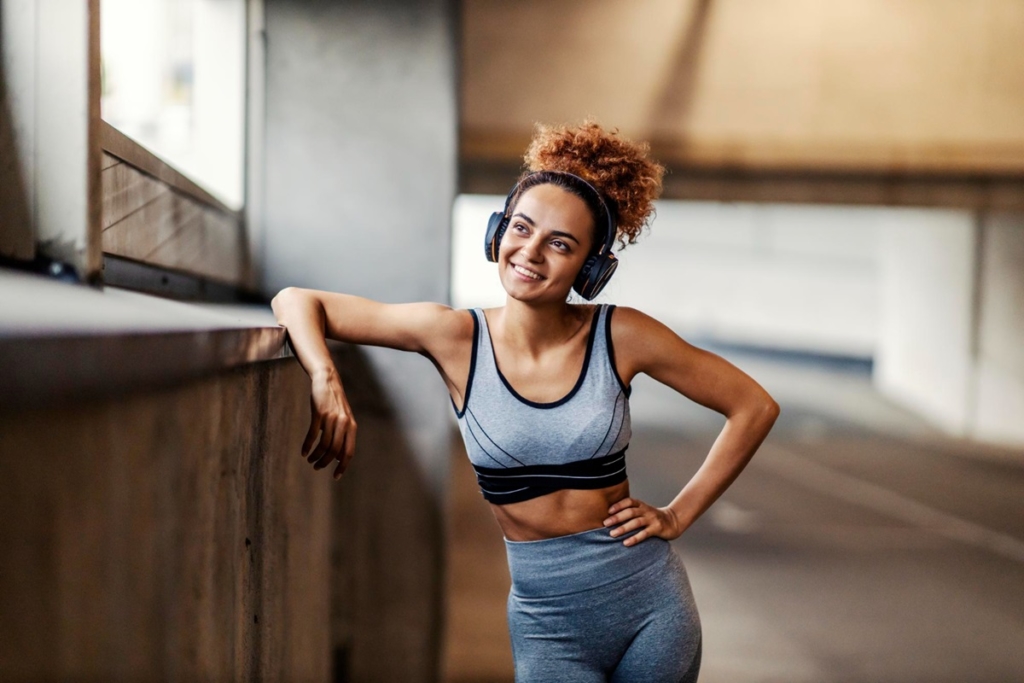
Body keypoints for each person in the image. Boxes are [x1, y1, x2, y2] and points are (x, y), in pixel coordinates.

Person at [271, 120, 780, 682]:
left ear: (590, 268)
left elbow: (753, 405)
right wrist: (325, 377)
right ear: (498, 232)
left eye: (560, 244)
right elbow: (296, 300)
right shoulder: (453, 337)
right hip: (547, 624)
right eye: (521, 227)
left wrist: (678, 514)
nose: (530, 252)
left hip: (649, 607)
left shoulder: (623, 335)